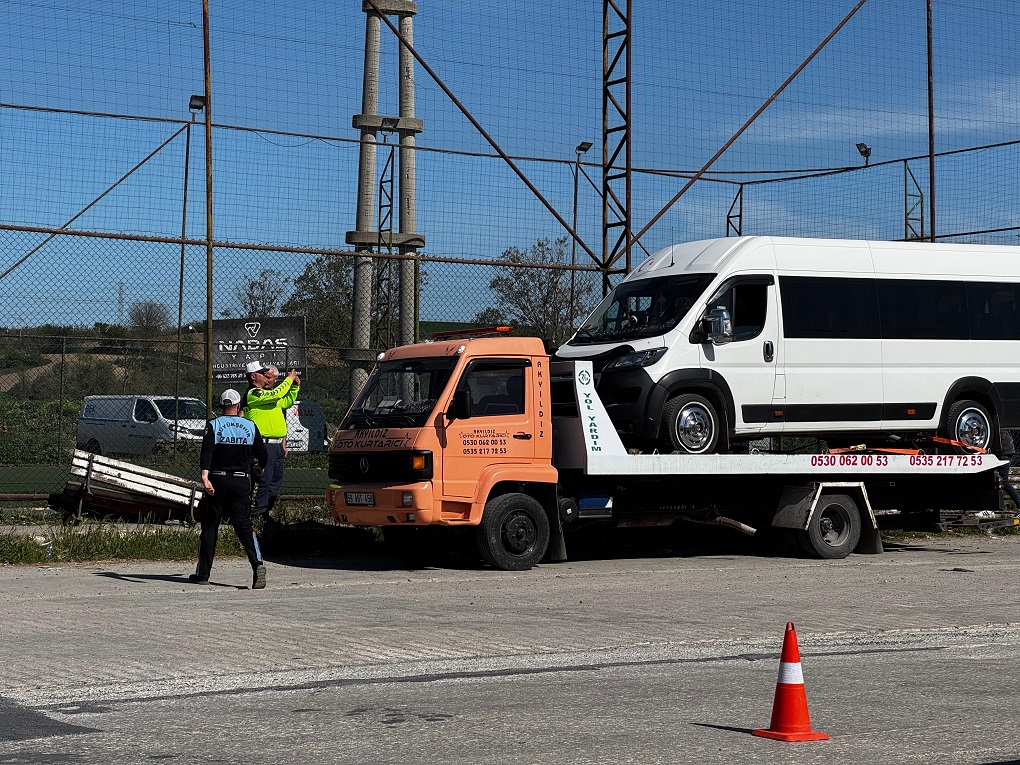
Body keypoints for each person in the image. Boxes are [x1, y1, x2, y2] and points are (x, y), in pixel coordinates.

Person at [192, 388, 269, 589]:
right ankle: (257, 564)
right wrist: (260, 467)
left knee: (210, 525)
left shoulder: (214, 425)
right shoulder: (250, 426)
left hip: (217, 480)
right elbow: (263, 453)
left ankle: (203, 573)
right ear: (238, 406)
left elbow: (206, 451)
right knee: (243, 524)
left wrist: (205, 477)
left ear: (222, 406)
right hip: (241, 481)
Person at [243, 359, 300, 516]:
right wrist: (288, 379)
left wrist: (294, 387)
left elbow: (285, 401)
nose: (265, 377)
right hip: (262, 445)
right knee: (262, 480)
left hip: (276, 446)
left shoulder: (269, 395)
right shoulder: (253, 393)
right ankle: (256, 513)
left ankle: (265, 510)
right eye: (262, 374)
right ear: (254, 376)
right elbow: (278, 393)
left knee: (275, 480)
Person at [995, 429, 1020, 515]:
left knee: (1004, 482)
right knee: (1000, 482)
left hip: (1003, 453)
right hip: (1004, 452)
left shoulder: (998, 430)